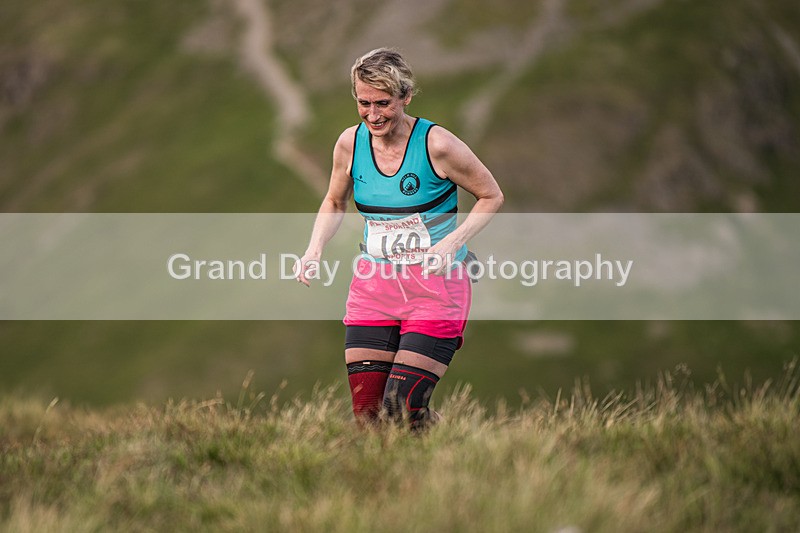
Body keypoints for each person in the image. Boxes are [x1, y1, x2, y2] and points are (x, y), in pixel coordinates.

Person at [295, 47, 503, 429]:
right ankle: (394, 480)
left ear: (406, 97)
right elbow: (334, 200)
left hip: (437, 288)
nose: (373, 115)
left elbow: (492, 196)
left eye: (384, 103)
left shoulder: (437, 145)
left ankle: (448, 451)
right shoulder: (350, 143)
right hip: (374, 287)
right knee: (367, 415)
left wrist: (451, 243)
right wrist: (314, 248)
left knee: (402, 409)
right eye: (364, 103)